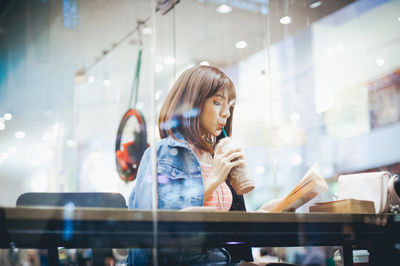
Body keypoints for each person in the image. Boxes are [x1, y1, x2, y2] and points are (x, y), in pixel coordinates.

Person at [127, 65, 282, 265]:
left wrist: (261, 216)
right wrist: (214, 178)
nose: (226, 113)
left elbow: (224, 231)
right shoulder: (162, 153)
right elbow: (154, 234)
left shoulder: (215, 156)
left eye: (230, 106)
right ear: (193, 104)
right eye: (218, 102)